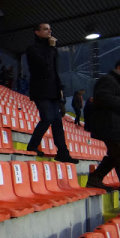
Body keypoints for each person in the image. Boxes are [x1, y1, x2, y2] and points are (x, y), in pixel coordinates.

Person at [87, 59, 120, 203]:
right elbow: (101, 98)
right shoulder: (108, 80)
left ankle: (95, 178)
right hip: (109, 126)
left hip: (117, 127)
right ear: (119, 68)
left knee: (114, 156)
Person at [25, 23, 78, 163]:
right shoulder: (32, 49)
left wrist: (60, 90)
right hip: (40, 90)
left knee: (57, 122)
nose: (49, 31)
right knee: (48, 117)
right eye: (45, 29)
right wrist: (51, 48)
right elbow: (44, 66)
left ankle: (63, 153)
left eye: (50, 28)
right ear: (37, 32)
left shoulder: (51, 49)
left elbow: (55, 71)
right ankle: (31, 146)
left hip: (53, 90)